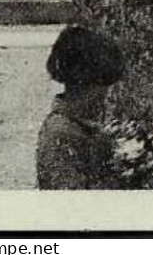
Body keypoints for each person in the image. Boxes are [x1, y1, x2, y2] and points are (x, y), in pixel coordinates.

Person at [37, 24, 126, 189]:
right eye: (102, 86)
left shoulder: (82, 127)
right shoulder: (62, 134)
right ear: (83, 82)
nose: (106, 95)